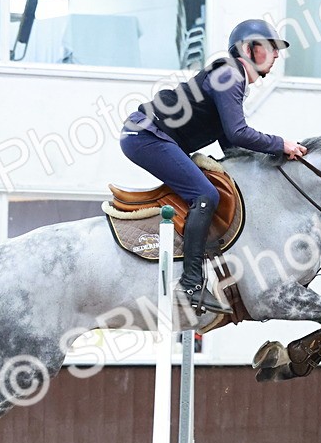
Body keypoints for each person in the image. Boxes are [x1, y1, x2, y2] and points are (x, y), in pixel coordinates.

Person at [120, 18, 308, 315]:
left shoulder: (231, 77)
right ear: (249, 48)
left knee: (210, 191)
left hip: (148, 135)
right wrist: (280, 144)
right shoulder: (231, 75)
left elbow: (227, 140)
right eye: (271, 48)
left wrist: (260, 166)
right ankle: (191, 283)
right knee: (206, 196)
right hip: (146, 136)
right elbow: (237, 132)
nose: (276, 55)